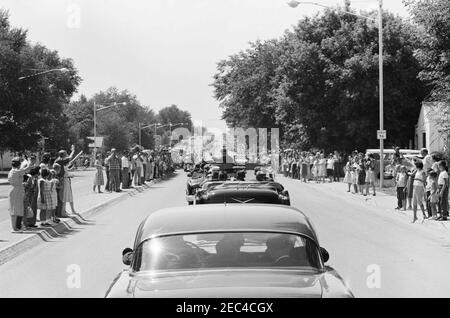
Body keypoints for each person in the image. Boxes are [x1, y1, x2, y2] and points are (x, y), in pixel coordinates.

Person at [8, 157, 36, 232]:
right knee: (14, 210)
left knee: (17, 210)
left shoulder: (14, 171)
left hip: (17, 190)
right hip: (16, 191)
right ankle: (14, 228)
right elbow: (26, 169)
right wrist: (30, 162)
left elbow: (26, 170)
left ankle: (17, 227)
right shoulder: (15, 171)